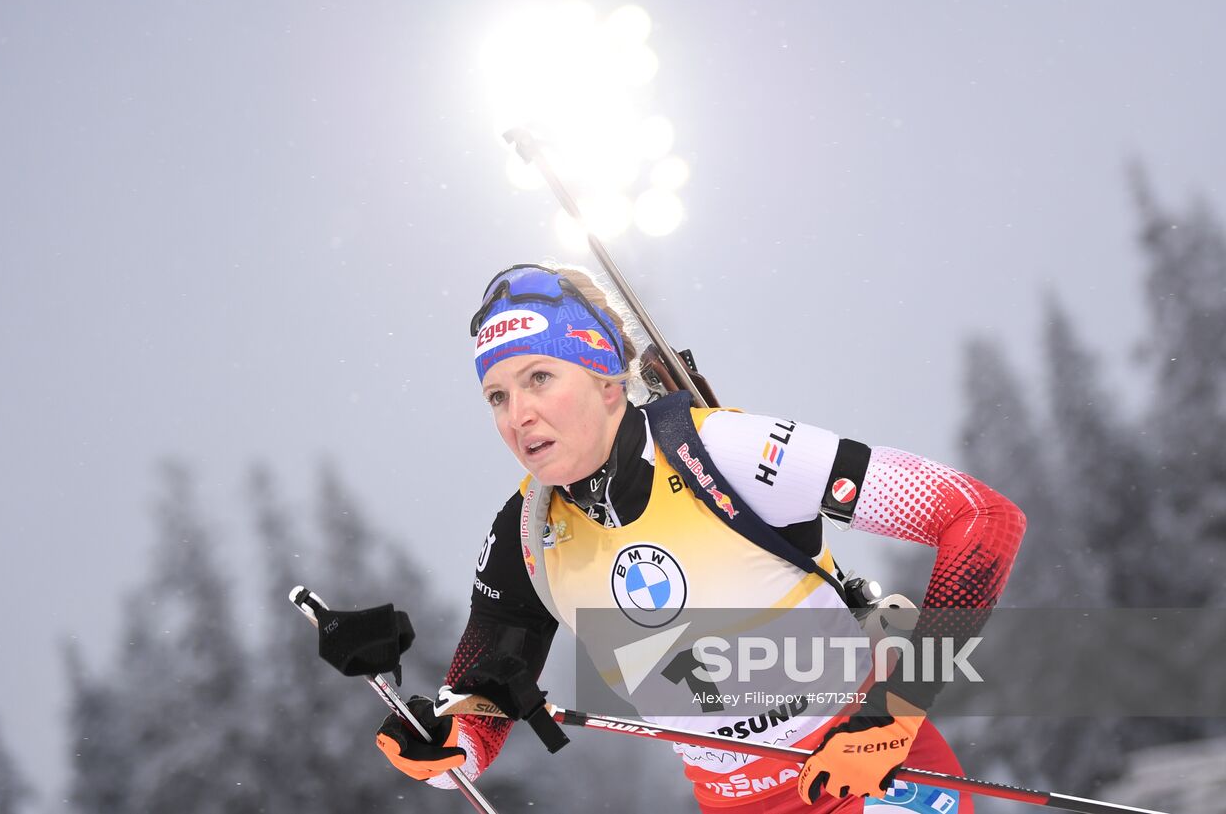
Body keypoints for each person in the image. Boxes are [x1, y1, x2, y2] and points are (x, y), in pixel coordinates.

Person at [373, 263, 1026, 813]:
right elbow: (480, 706)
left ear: (606, 379)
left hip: (873, 776)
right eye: (496, 395)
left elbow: (978, 516)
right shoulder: (525, 533)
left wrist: (897, 710)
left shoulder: (723, 449)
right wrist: (434, 742)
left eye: (539, 377)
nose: (518, 414)